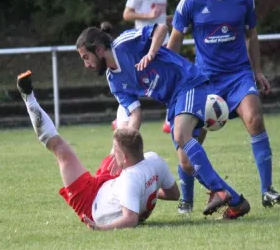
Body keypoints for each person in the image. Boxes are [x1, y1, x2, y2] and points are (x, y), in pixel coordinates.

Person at [75, 21, 251, 219]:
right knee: (186, 163)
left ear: (99, 49)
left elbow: (161, 28)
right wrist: (123, 148)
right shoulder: (114, 80)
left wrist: (151, 52)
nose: (86, 64)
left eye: (86, 57)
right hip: (173, 101)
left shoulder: (124, 44)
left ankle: (219, 191)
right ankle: (237, 202)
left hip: (188, 83)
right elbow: (135, 114)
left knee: (181, 134)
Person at [167, 0, 280, 208]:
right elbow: (175, 41)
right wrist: (172, 81)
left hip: (238, 75)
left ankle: (267, 190)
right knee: (188, 145)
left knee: (255, 118)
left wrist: (257, 71)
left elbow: (252, 34)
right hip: (204, 81)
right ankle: (186, 199)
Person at [16, 70, 180, 230]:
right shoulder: (154, 159)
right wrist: (144, 191)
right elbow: (174, 195)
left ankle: (28, 97)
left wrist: (100, 228)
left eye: (115, 151)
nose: (112, 155)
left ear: (123, 157)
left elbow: (130, 220)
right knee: (123, 127)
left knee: (61, 150)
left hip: (92, 204)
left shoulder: (131, 179)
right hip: (113, 182)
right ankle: (126, 79)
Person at [112, 0, 172, 134]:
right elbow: (127, 14)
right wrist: (148, 16)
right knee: (131, 83)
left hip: (163, 40)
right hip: (143, 44)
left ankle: (170, 120)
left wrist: (175, 19)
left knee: (172, 78)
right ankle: (123, 117)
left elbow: (161, 18)